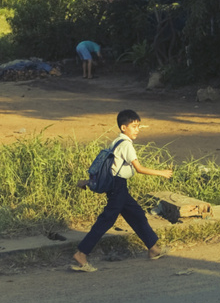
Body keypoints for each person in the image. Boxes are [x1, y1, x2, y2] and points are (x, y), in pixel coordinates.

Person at [72, 109, 174, 272]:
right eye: (134, 126)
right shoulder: (126, 145)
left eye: (138, 126)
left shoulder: (117, 142)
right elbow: (139, 169)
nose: (137, 129)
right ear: (123, 127)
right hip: (117, 186)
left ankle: (153, 249)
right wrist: (161, 173)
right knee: (107, 220)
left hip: (118, 186)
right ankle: (81, 254)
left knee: (137, 214)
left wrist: (89, 182)